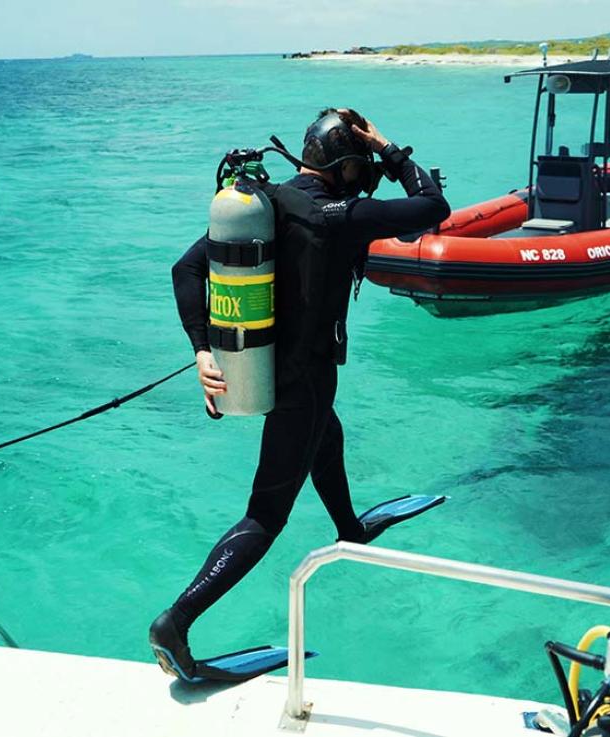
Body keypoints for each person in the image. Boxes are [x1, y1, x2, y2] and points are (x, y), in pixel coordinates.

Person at [151, 108, 451, 681]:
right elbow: (433, 206)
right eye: (361, 165)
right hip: (304, 377)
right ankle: (177, 621)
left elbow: (185, 269)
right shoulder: (345, 215)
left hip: (262, 367)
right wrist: (388, 146)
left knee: (325, 435)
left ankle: (350, 528)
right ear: (346, 166)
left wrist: (202, 350)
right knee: (266, 513)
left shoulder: (267, 202)